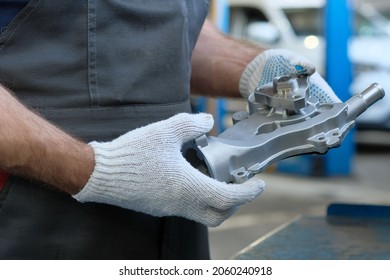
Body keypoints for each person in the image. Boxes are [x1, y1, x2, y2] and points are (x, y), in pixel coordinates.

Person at [0, 1, 340, 259]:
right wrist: (94, 168)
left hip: (177, 207)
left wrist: (253, 67)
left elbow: (166, 32)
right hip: (35, 215)